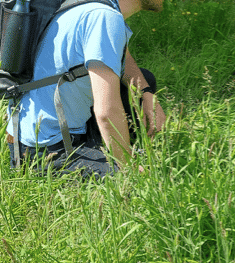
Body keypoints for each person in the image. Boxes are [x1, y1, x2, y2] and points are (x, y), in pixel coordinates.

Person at [6, 0, 166, 177]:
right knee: (136, 182)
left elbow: (122, 55)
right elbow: (106, 111)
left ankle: (106, 145)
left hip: (24, 133)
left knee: (146, 79)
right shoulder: (105, 17)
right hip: (45, 149)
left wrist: (146, 93)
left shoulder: (89, 5)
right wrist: (128, 167)